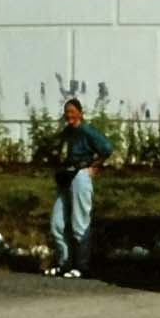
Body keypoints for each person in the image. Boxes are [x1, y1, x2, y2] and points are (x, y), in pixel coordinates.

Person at [45, 98, 112, 277]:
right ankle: (64, 262)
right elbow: (56, 148)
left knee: (79, 222)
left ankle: (82, 265)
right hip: (65, 177)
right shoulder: (66, 132)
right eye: (67, 113)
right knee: (57, 223)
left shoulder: (86, 131)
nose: (69, 116)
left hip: (80, 175)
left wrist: (95, 165)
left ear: (80, 113)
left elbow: (106, 148)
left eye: (72, 112)